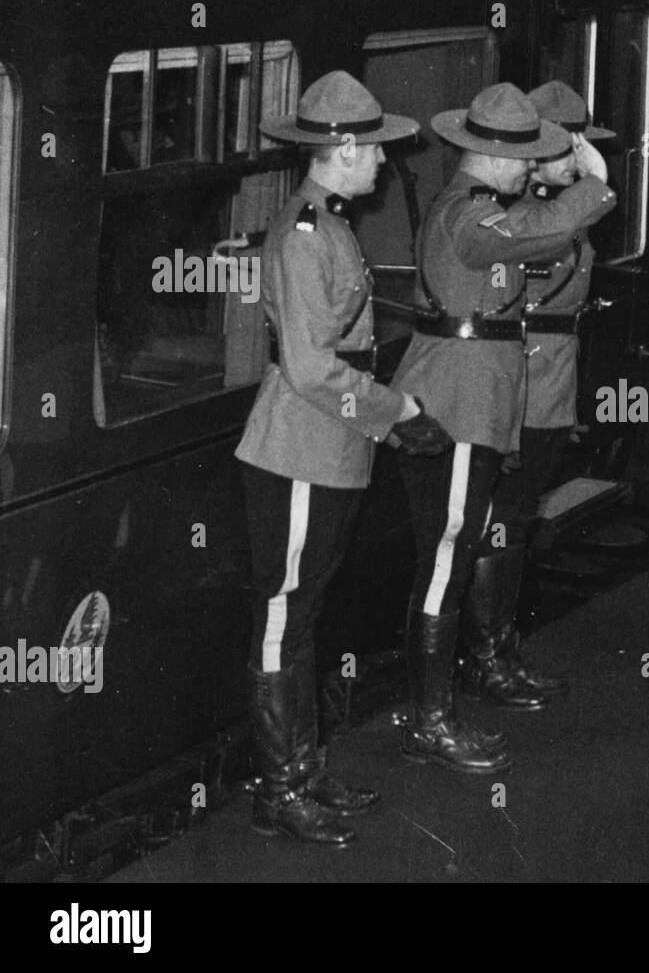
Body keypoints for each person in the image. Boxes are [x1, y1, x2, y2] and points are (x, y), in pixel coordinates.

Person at [236, 71, 454, 846]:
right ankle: (279, 787)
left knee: (304, 616)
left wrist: (384, 422)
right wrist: (398, 413)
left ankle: (304, 770)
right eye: (380, 154)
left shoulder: (328, 226)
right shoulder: (303, 234)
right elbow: (310, 366)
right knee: (282, 619)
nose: (387, 167)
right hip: (298, 446)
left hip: (328, 447)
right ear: (347, 149)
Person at [391, 83, 616, 768]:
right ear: (493, 155)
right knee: (445, 561)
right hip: (457, 403)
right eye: (526, 159)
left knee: (453, 556)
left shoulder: (477, 207)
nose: (530, 172)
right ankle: (430, 720)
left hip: (474, 400)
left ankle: (438, 710)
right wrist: (596, 187)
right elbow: (523, 234)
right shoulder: (467, 213)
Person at [451, 79, 616, 713]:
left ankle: (499, 649)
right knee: (504, 522)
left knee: (513, 523)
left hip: (548, 378)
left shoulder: (550, 205)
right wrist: (584, 191)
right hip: (523, 379)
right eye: (571, 147)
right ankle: (487, 658)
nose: (579, 157)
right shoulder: (521, 213)